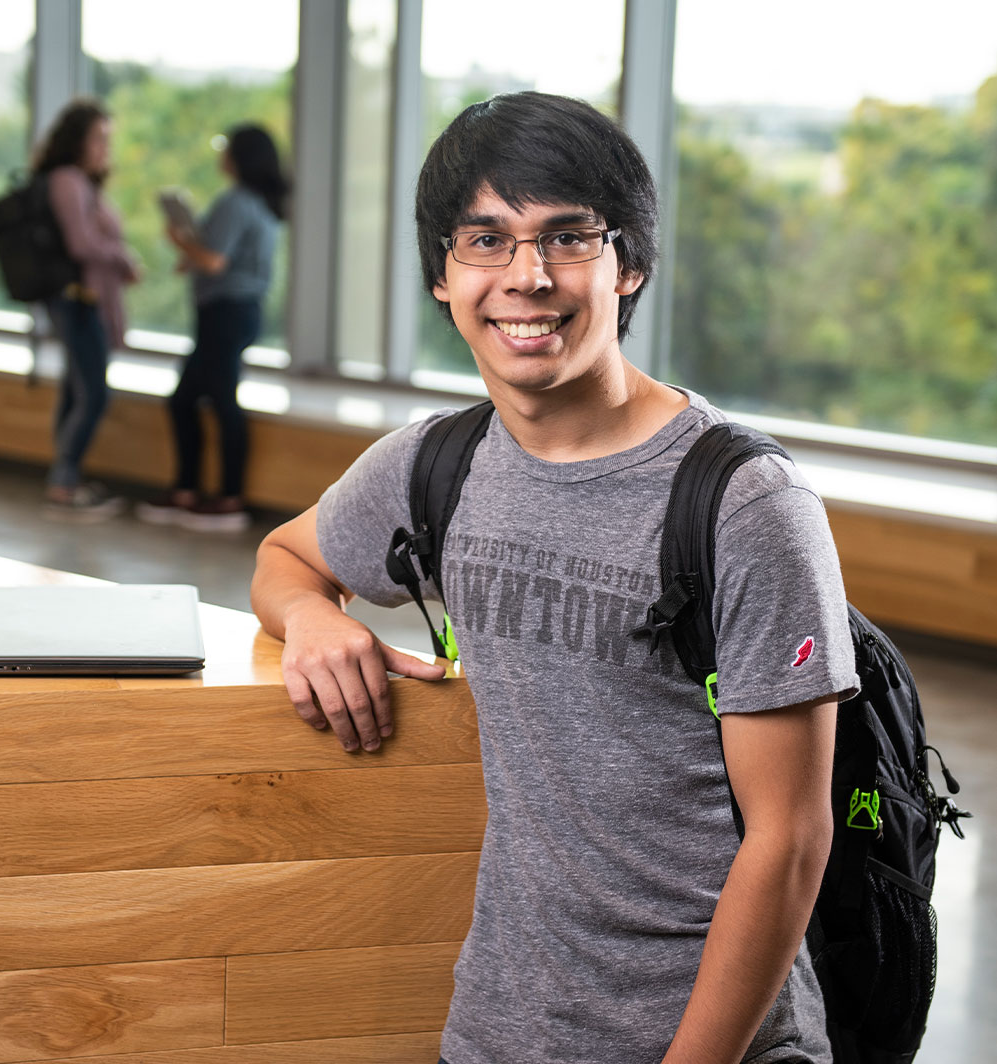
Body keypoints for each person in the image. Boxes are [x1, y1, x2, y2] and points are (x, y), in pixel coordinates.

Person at [250, 92, 861, 1064]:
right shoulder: (431, 467)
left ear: (629, 266)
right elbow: (285, 555)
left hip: (717, 1039)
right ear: (441, 277)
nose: (524, 277)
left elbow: (788, 841)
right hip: (501, 1025)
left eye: (566, 237)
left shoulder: (742, 502)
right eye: (484, 240)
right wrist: (312, 617)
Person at [137, 123, 287, 533]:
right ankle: (190, 490)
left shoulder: (236, 201)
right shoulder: (260, 203)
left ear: (239, 157)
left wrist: (179, 241)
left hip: (226, 312)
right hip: (239, 312)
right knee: (191, 399)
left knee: (214, 402)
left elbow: (215, 261)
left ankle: (227, 499)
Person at [34, 97, 140, 519]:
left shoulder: (80, 181)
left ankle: (66, 476)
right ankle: (64, 481)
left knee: (76, 388)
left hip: (84, 300)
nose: (104, 147)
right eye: (99, 138)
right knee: (93, 393)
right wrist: (121, 257)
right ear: (77, 140)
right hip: (78, 300)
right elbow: (80, 244)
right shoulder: (67, 180)